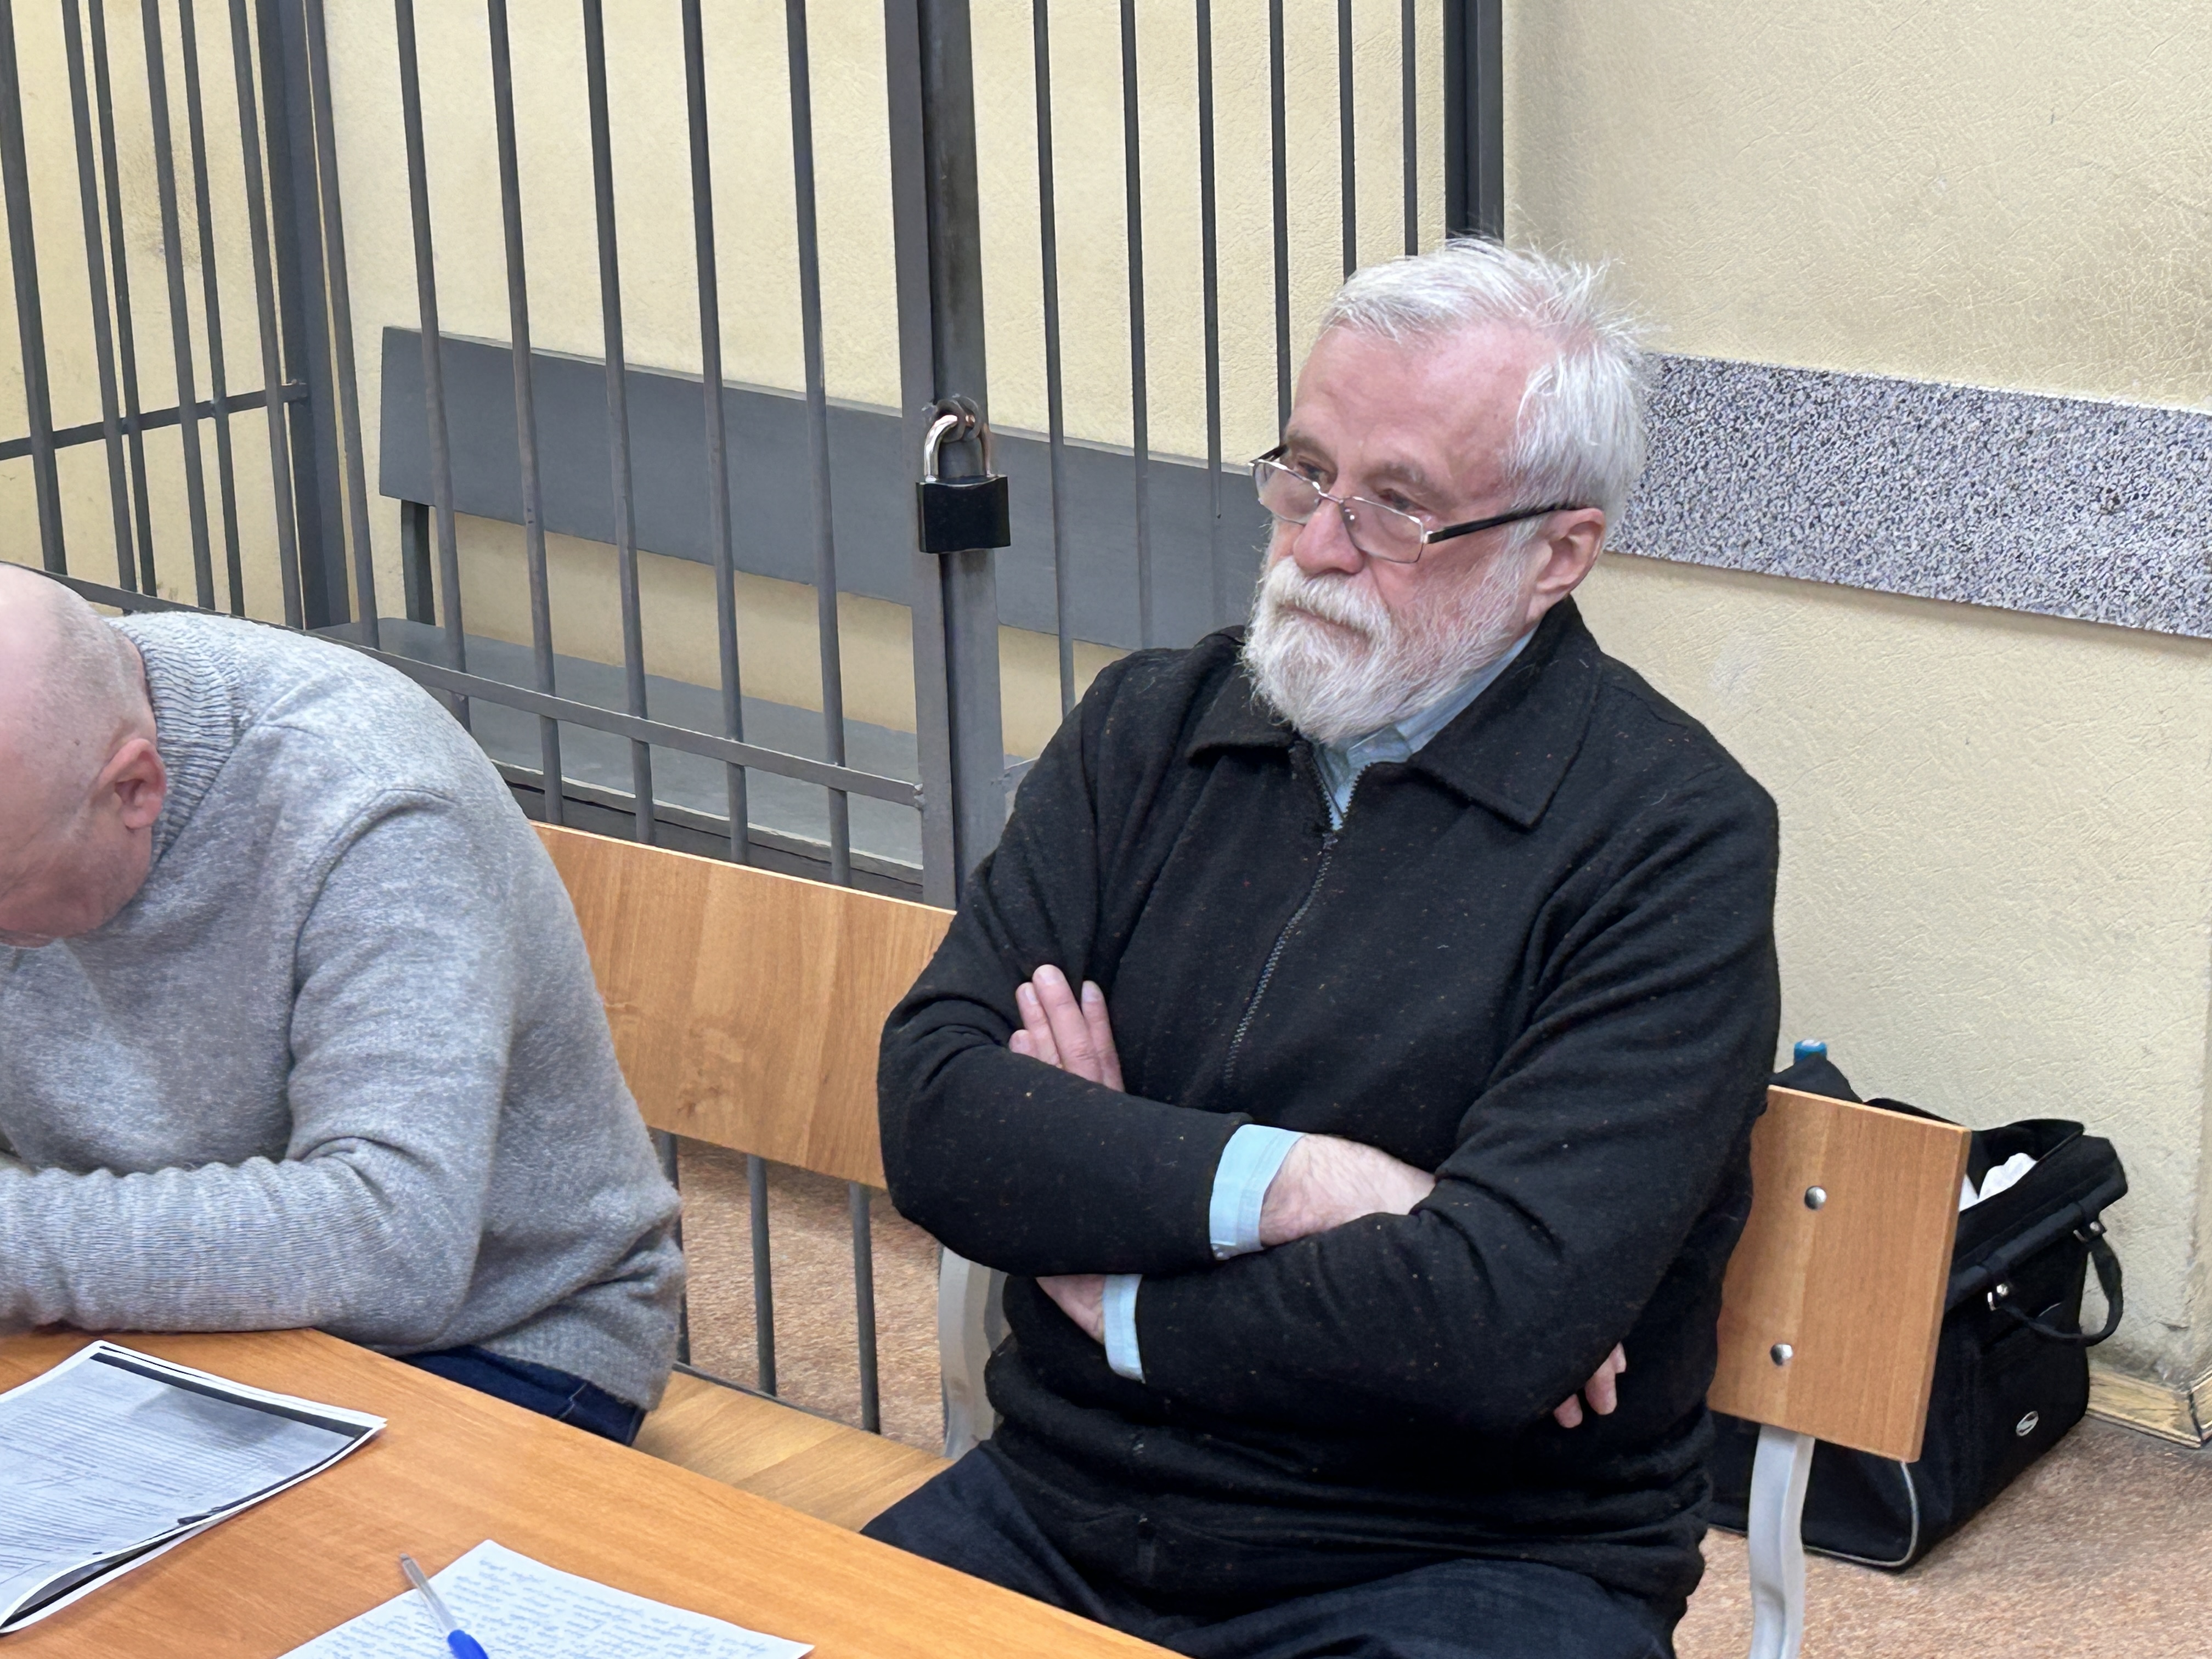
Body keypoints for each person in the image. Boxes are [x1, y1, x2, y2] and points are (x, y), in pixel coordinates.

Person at [871, 239, 1781, 1658]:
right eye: (1304, 472)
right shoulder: (1146, 731)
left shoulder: (1670, 839)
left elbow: (1492, 1323)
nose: (1313, 545)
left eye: (1397, 506)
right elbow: (940, 1117)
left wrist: (1116, 1276)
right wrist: (1317, 1186)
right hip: (1063, 1500)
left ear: (1557, 554)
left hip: (1456, 1557)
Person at [0, 568, 682, 1444]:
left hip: (491, 1329)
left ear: (133, 789)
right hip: (133, 1295)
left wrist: (18, 1241)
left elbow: (393, 1243)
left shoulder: (374, 804)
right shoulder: (35, 780)